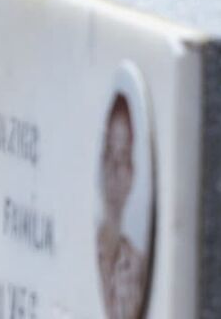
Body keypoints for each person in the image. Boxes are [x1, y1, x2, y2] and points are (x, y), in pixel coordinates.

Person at [97, 93, 147, 319]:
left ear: (132, 173)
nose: (116, 170)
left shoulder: (138, 269)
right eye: (110, 155)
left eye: (124, 157)